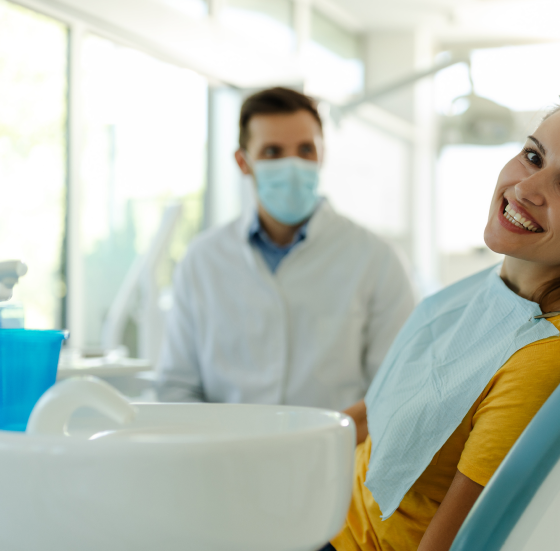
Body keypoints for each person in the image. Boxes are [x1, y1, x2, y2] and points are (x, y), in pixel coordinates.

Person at [141, 79, 560, 551]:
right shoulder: (494, 291)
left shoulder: (547, 354)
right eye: (533, 156)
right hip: (323, 521)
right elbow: (380, 409)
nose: (528, 189)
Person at [156, 87, 415, 410]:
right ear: (243, 161)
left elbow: (396, 389)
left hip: (333, 457)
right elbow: (177, 387)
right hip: (225, 457)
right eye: (272, 152)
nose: (292, 165)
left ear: (322, 154)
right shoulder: (202, 260)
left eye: (305, 149)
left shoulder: (377, 259)